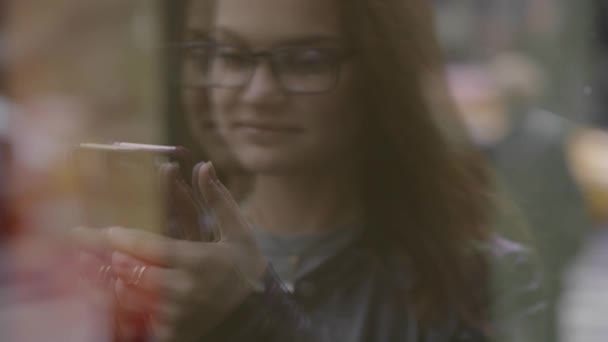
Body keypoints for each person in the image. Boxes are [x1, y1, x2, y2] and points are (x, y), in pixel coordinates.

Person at [78, 0, 545, 341]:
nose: (258, 92)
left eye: (306, 60)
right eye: (232, 55)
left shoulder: (481, 279)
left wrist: (253, 320)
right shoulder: (173, 259)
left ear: (380, 74)